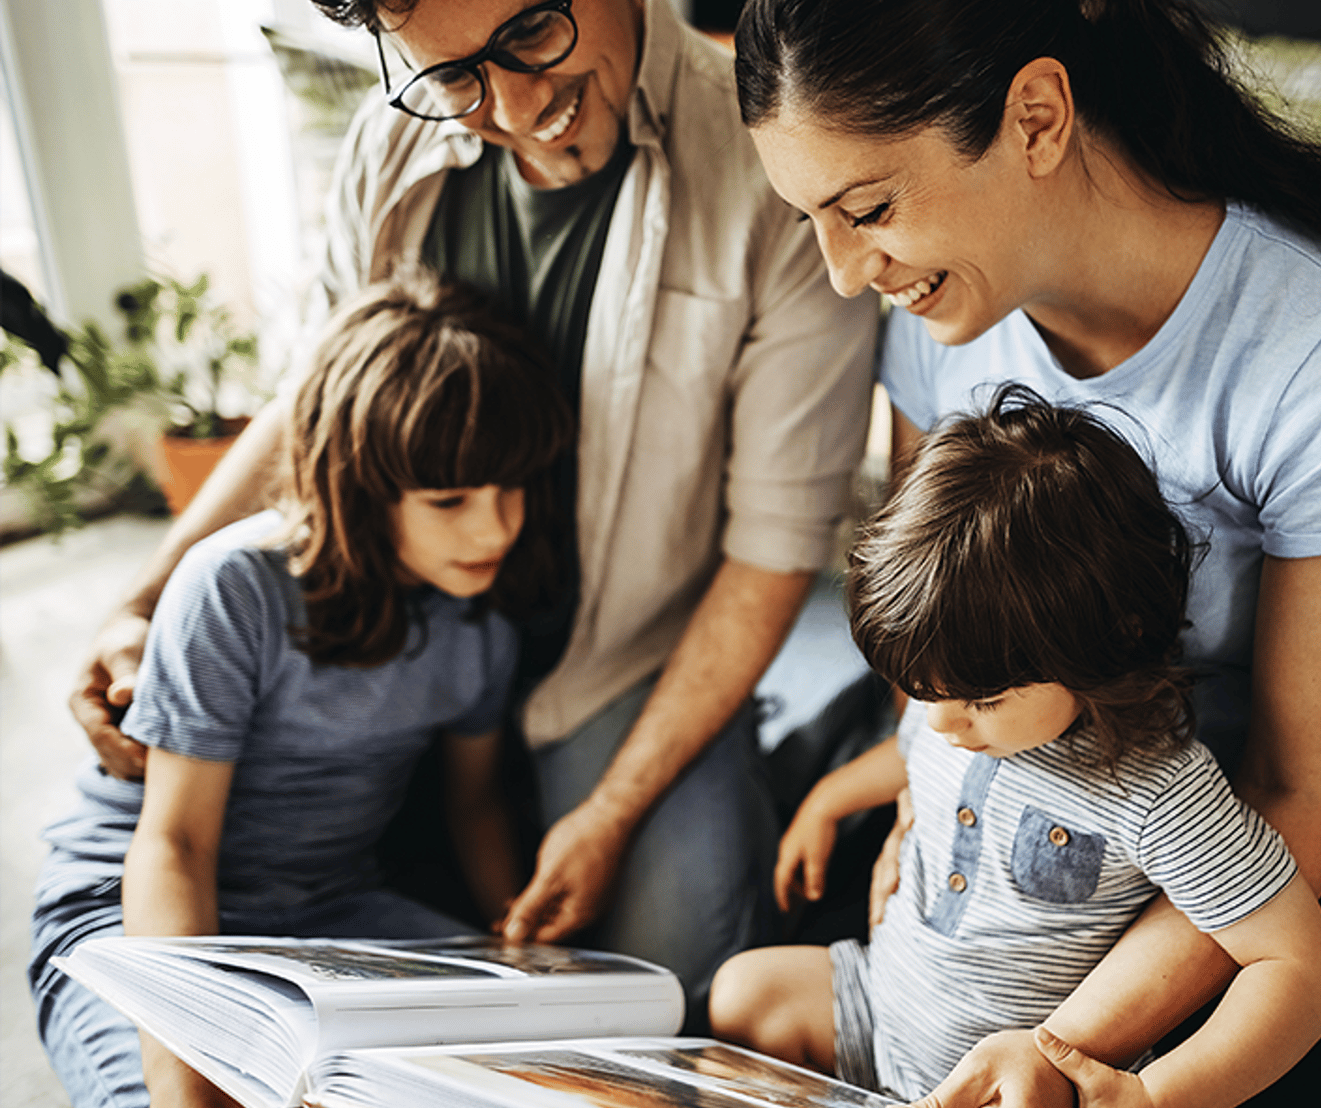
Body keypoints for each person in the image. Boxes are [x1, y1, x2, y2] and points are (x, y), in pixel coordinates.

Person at [733, 0, 1321, 1104]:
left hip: (1262, 875)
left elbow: (1295, 797)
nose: (848, 273)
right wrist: (918, 803)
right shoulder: (942, 310)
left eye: (869, 208)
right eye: (815, 218)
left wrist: (1050, 1051)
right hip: (1009, 825)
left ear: (1036, 117)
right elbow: (941, 625)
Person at [69, 0, 879, 1031]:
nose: (515, 105)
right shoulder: (391, 140)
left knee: (668, 974)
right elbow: (316, 403)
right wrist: (146, 595)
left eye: (532, 35)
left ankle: (751, 751)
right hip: (408, 648)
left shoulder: (768, 163)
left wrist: (611, 812)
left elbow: (770, 552)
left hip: (626, 671)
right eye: (454, 78)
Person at [710, 388, 1321, 1108]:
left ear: (1110, 641)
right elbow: (917, 751)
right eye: (922, 692)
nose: (943, 722)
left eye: (981, 701)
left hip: (1012, 1084)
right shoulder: (952, 687)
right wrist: (832, 798)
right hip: (880, 1009)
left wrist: (1156, 1095)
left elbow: (1305, 969)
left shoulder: (1158, 789)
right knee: (740, 993)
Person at [29, 270, 574, 1108]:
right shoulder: (234, 588)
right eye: (451, 498)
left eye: (516, 490)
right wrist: (190, 1084)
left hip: (333, 914)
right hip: (138, 913)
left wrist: (517, 947)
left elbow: (477, 809)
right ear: (361, 487)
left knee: (559, 1056)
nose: (495, 527)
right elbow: (174, 848)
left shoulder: (482, 616)